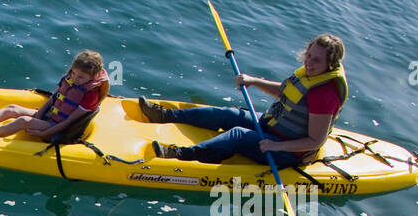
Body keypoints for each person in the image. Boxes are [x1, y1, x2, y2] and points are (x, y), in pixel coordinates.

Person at [140, 34, 347, 166]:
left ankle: (182, 154)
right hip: (273, 126)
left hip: (290, 152)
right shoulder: (309, 75)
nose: (309, 62)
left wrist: (277, 147)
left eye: (316, 60)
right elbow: (285, 92)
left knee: (238, 135)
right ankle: (165, 114)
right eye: (309, 55)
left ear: (330, 64)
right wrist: (254, 81)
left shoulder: (324, 94)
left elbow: (316, 140)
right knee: (228, 114)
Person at [0, 50, 110, 141]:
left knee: (23, 121)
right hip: (50, 118)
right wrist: (39, 114)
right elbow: (54, 98)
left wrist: (45, 132)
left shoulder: (90, 96)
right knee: (13, 109)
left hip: (59, 130)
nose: (75, 78)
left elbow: (69, 121)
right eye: (73, 73)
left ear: (94, 76)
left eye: (80, 77)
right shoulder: (72, 79)